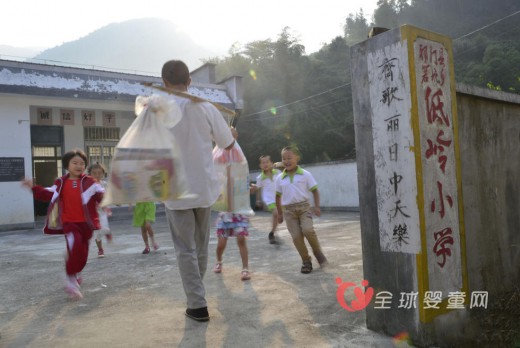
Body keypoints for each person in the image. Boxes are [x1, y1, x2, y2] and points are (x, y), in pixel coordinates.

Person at [161, 59, 235, 322]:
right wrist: (232, 134)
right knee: (200, 246)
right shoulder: (205, 106)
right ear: (189, 81)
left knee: (185, 249)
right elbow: (227, 144)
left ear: (164, 83)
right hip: (204, 188)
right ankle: (197, 297)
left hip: (175, 190)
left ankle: (197, 303)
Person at [21, 149, 105, 300]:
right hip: (70, 224)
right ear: (67, 165)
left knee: (83, 255)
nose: (79, 166)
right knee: (75, 245)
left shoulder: (90, 182)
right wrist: (32, 187)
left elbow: (101, 195)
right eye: (75, 163)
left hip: (87, 225)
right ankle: (71, 280)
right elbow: (47, 193)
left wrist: (107, 203)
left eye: (82, 163)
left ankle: (76, 270)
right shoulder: (61, 183)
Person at [275, 146, 328, 274]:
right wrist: (280, 214)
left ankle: (317, 251)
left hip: (304, 208)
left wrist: (317, 206)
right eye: (284, 158)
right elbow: (277, 197)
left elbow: (315, 190)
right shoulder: (280, 178)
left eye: (289, 158)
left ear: (297, 158)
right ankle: (306, 261)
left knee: (308, 230)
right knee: (296, 237)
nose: (286, 161)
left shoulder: (305, 174)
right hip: (288, 211)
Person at [250, 155, 281, 244]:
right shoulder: (260, 177)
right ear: (260, 166)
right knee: (276, 213)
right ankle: (272, 233)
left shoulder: (278, 172)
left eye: (267, 162)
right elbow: (258, 190)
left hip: (279, 198)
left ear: (271, 163)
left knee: (277, 216)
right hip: (268, 199)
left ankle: (273, 232)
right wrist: (257, 200)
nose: (265, 164)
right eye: (263, 163)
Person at [88, 163, 112, 258]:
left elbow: (108, 196)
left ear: (103, 174)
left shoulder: (104, 184)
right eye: (94, 173)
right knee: (97, 234)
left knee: (105, 229)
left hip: (102, 212)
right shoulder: (88, 185)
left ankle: (107, 232)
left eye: (99, 173)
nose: (97, 175)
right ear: (90, 174)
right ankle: (100, 250)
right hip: (93, 212)